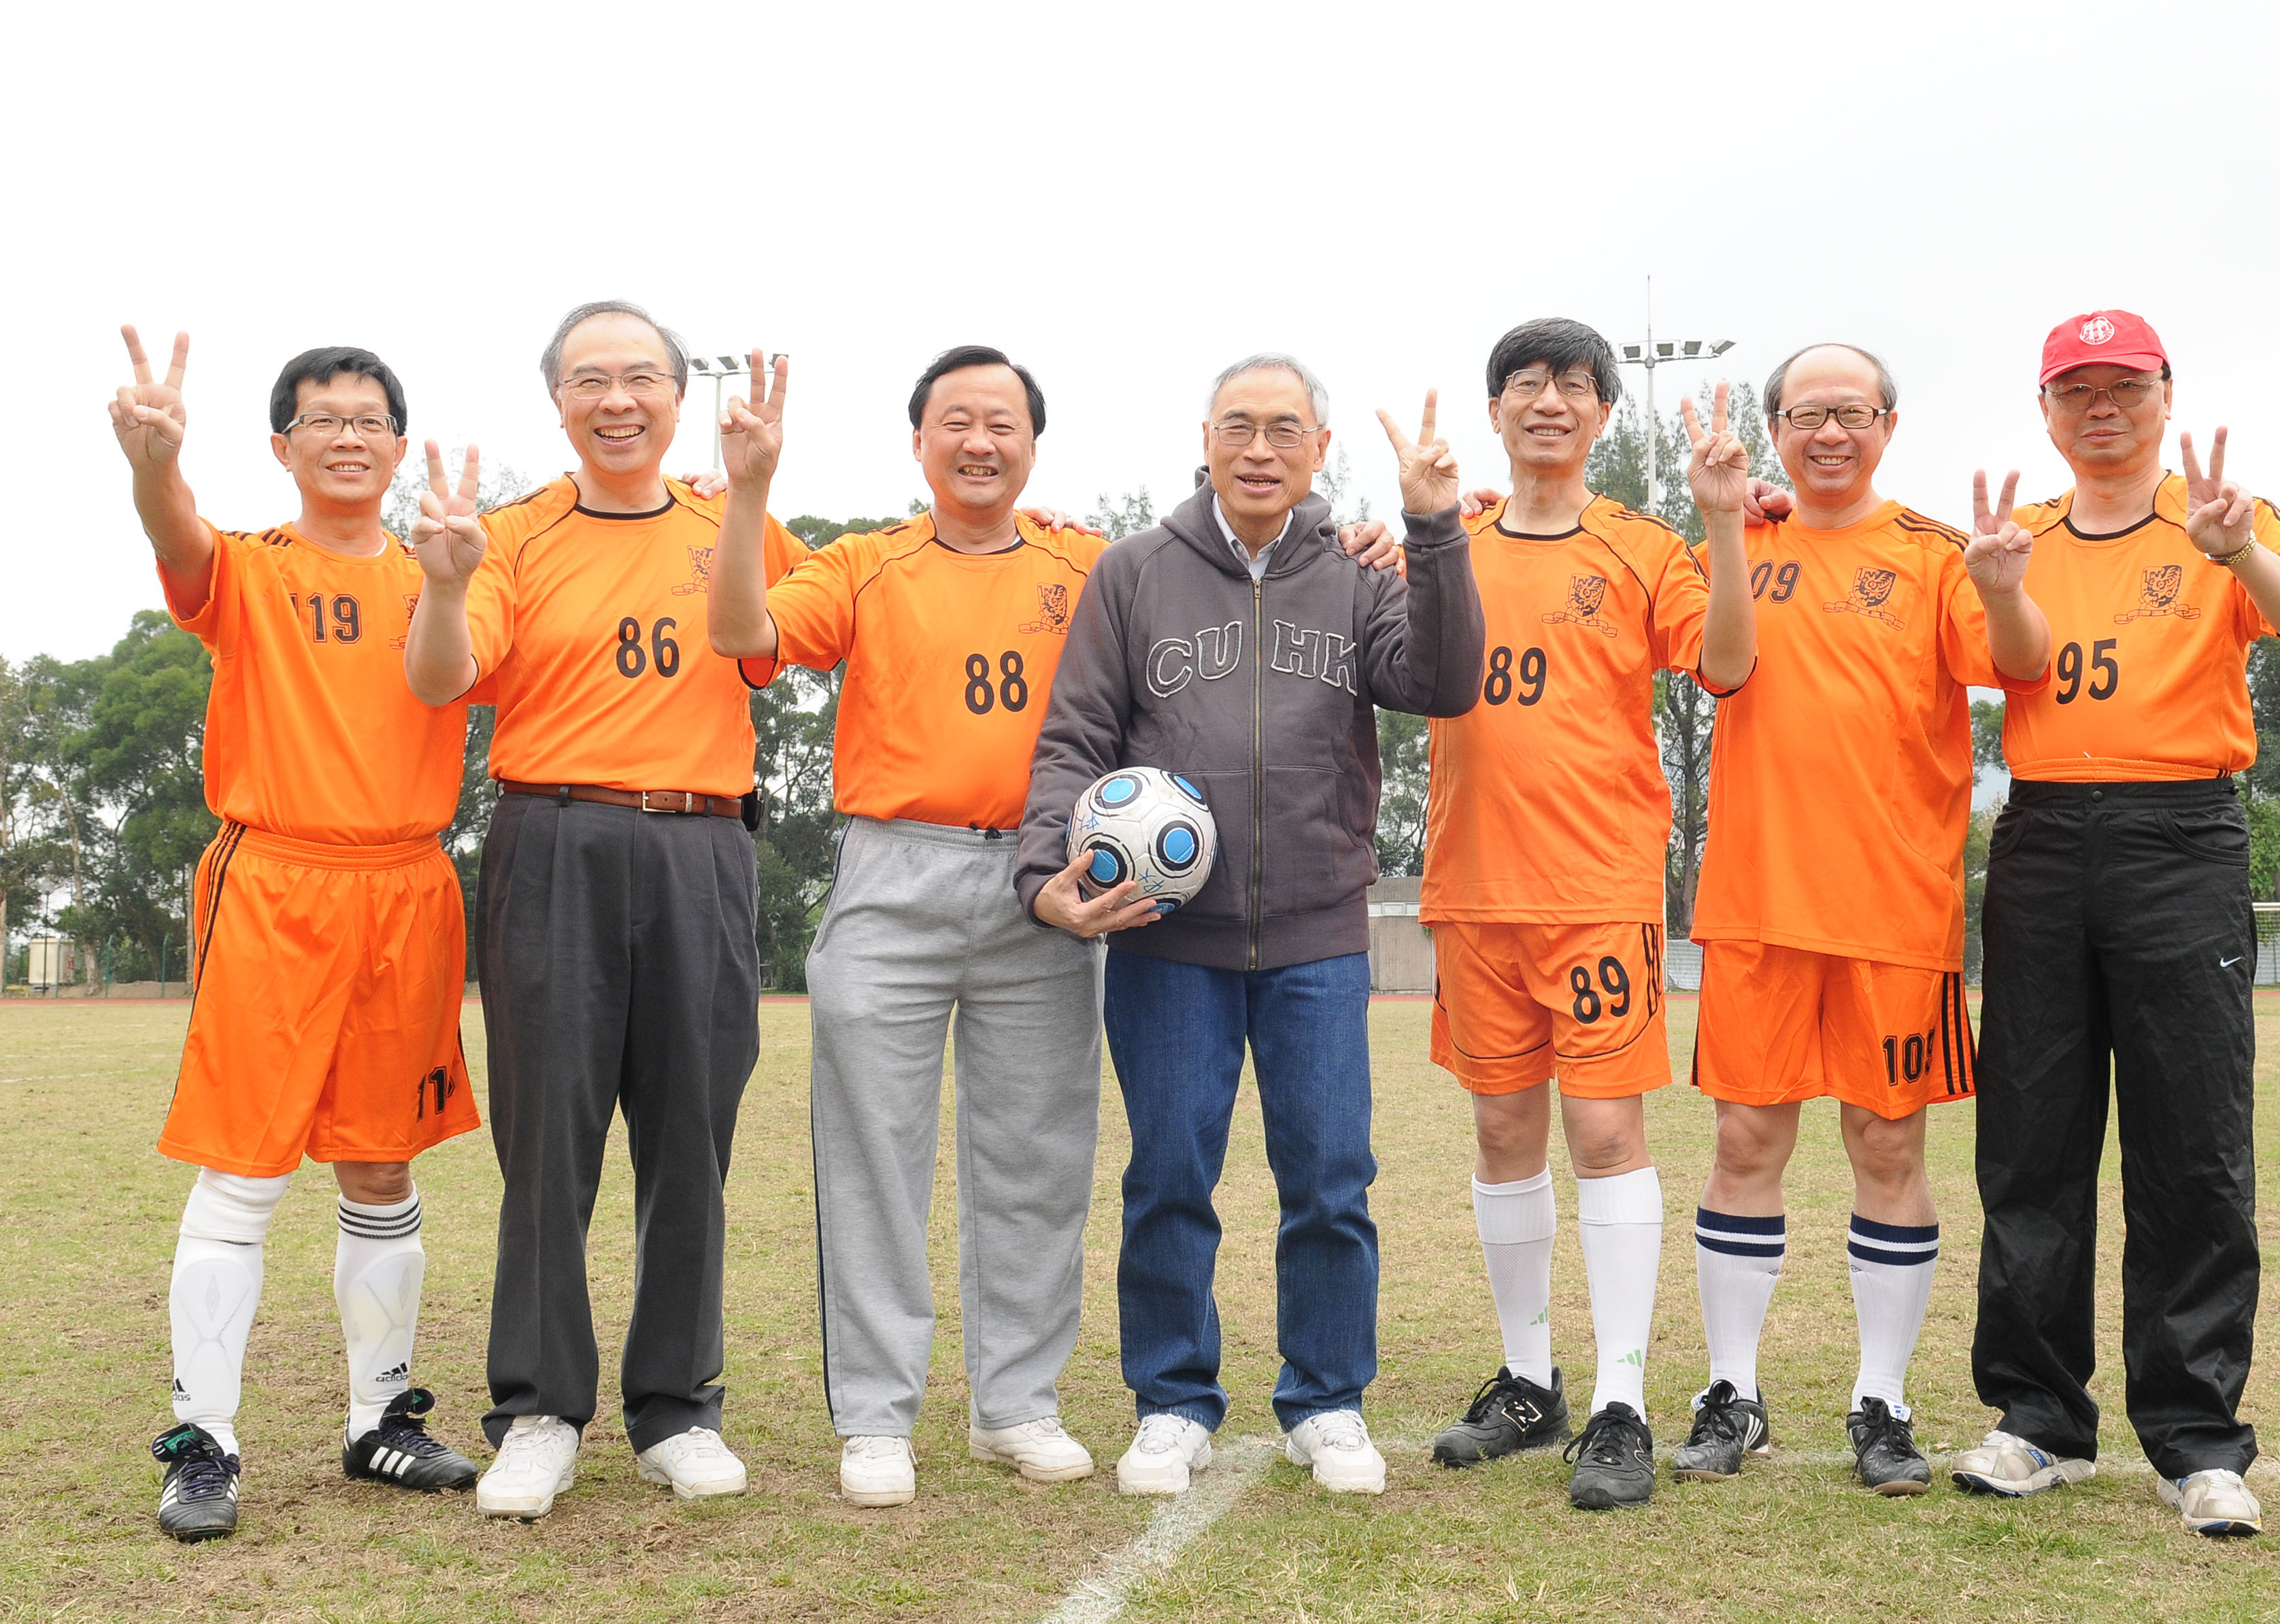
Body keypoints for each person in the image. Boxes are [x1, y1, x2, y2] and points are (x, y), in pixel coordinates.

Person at [704, 347, 1403, 1508]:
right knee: (877, 1160)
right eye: (955, 422)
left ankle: (1016, 1404)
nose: (980, 442)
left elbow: (1239, 557)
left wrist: (1372, 535)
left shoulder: (1097, 562)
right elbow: (742, 637)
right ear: (918, 439)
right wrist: (748, 493)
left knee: (1035, 1162)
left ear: (1033, 443)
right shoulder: (864, 563)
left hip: (1064, 883)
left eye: (1003, 424)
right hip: (902, 870)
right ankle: (877, 1416)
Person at [1018, 354, 1483, 1497]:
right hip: (1165, 936)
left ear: (1319, 448)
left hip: (1319, 930)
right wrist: (1043, 869)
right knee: (1170, 1173)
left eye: (1285, 429)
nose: (1260, 449)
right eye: (1239, 427)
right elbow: (1075, 736)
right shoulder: (1132, 573)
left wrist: (1432, 531)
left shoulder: (1364, 569)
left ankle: (1325, 1402)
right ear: (1206, 437)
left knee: (1329, 1176)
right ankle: (1171, 1402)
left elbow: (1446, 679)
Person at [402, 299, 808, 1519]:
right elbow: (442, 678)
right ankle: (537, 1407)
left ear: (681, 398)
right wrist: (439, 583)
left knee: (690, 1136)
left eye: (641, 378)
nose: (617, 400)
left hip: (698, 844)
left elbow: (764, 643)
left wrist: (745, 494)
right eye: (590, 380)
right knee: (548, 1140)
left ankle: (678, 1406)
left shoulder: (740, 523)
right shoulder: (511, 536)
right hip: (553, 837)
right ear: (558, 402)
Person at [1958, 310, 2280, 1538]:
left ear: (2165, 394)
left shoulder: (2225, 513)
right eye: (2075, 392)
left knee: (2191, 1143)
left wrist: (2236, 556)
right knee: (2032, 1135)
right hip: (2043, 833)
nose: (2101, 409)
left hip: (2180, 836)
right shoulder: (2014, 534)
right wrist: (2003, 589)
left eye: (2123, 386)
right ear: (2046, 413)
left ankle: (2194, 1439)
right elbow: (2015, 663)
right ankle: (2037, 1420)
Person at [109, 327, 484, 1540]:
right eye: (322, 419)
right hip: (276, 880)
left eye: (369, 419)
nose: (347, 437)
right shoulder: (252, 569)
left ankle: (380, 1417)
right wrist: (153, 462)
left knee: (382, 1161)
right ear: (282, 445)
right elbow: (177, 534)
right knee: (247, 1166)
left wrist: (446, 578)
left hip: (408, 885)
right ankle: (201, 1441)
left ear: (397, 443)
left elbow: (445, 686)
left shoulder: (440, 571)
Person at [1667, 343, 2051, 1498]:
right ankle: (1731, 1391)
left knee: (1887, 1146)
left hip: (1895, 910)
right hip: (1757, 904)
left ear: (1888, 422)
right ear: (1774, 429)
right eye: (1804, 414)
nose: (1825, 433)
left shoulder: (1937, 555)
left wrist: (1997, 584)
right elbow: (1721, 673)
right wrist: (1728, 524)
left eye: (1848, 412)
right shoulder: (1738, 540)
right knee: (1745, 1143)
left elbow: (2023, 666)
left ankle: (1879, 1400)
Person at [1418, 318, 1756, 1510]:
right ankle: (1527, 1382)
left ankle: (1620, 1401)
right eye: (1523, 384)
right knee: (1503, 1139)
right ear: (1496, 414)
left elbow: (1722, 666)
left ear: (1603, 415)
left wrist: (1719, 524)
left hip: (1596, 894)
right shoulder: (1442, 543)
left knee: (1605, 1139)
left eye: (1570, 385)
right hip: (1470, 892)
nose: (1546, 401)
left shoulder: (1642, 546)